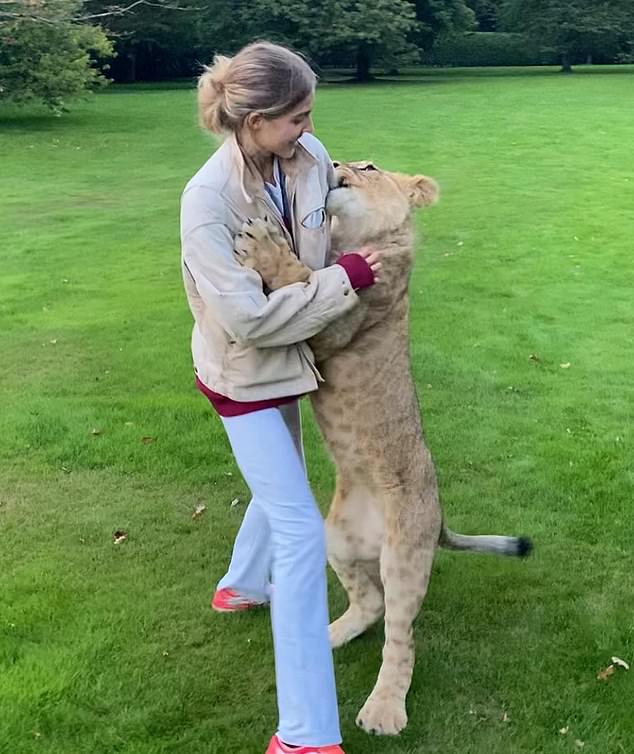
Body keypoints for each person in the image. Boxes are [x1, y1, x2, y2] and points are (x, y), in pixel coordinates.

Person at [180, 41, 381, 754]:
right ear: (257, 119)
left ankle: (238, 585)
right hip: (241, 375)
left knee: (284, 484)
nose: (308, 127)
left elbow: (320, 233)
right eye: (296, 117)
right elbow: (249, 321)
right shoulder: (207, 200)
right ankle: (304, 735)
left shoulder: (307, 154)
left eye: (309, 113)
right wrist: (346, 280)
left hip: (294, 359)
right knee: (299, 527)